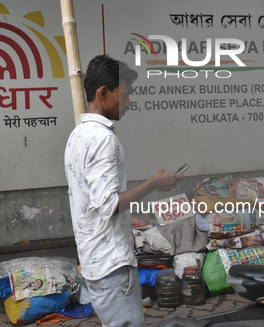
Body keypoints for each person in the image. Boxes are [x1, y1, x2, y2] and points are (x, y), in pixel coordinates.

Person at [64, 54, 182, 327]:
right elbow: (107, 205)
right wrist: (153, 184)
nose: (129, 103)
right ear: (103, 93)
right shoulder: (102, 139)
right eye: (125, 95)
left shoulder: (77, 135)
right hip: (112, 265)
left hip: (94, 260)